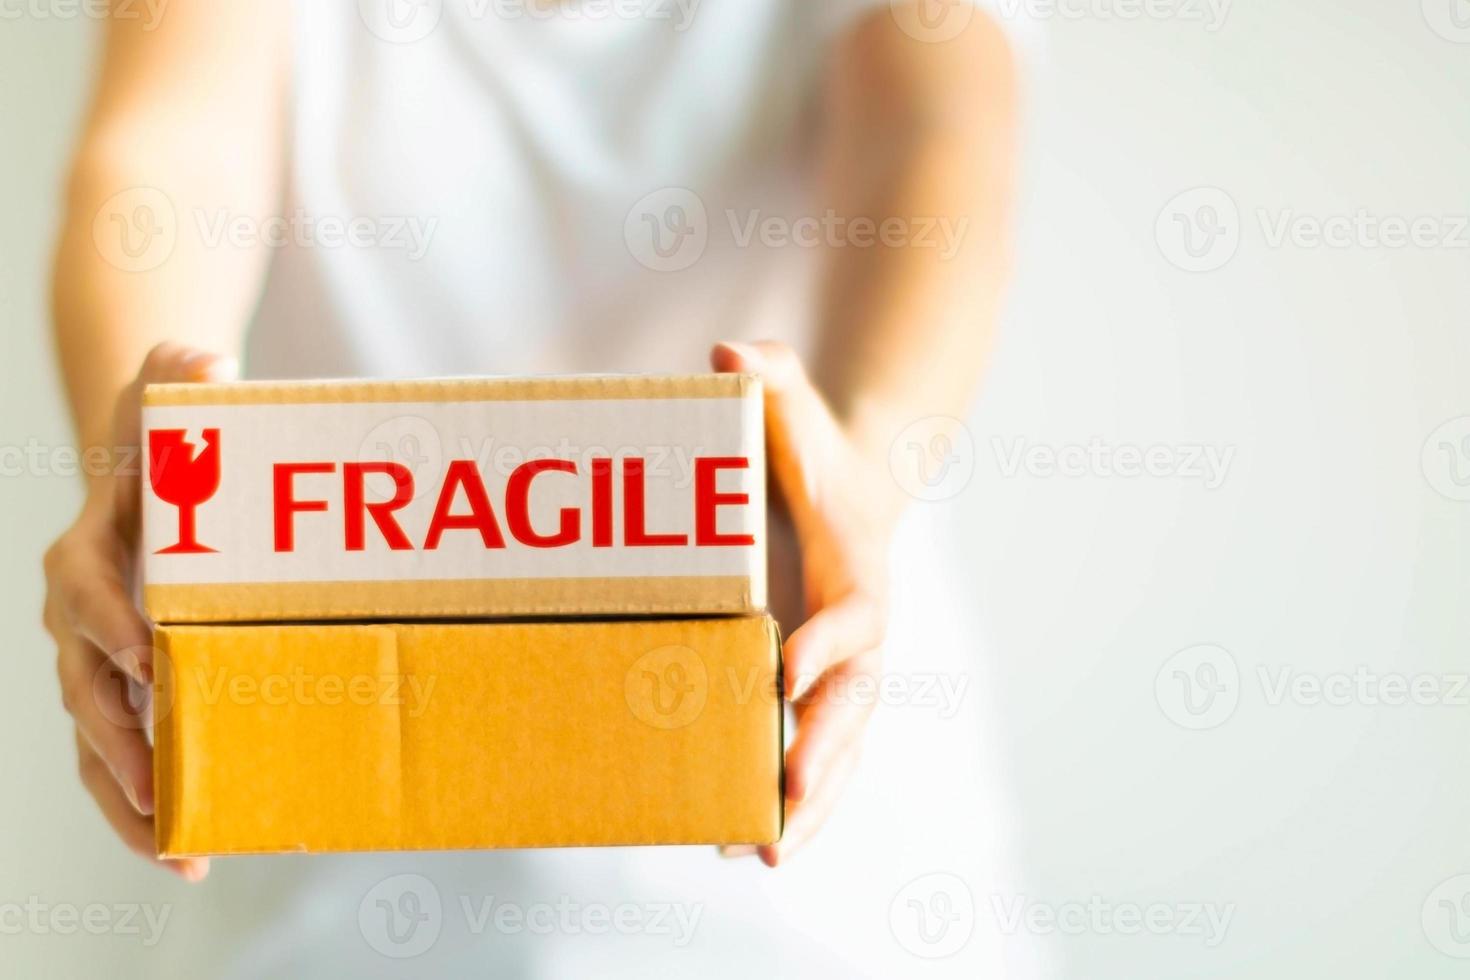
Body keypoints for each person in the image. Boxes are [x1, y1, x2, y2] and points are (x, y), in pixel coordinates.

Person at [44, 1, 1029, 974]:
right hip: (334, 870)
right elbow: (167, 151)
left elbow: (937, 140)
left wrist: (867, 460)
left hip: (822, 873)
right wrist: (136, 472)